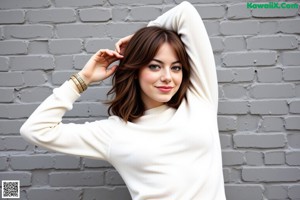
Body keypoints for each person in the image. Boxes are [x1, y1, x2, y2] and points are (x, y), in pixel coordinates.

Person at [20, 1, 226, 199]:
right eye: (155, 66)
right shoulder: (114, 132)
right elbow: (35, 130)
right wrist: (83, 79)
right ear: (136, 71)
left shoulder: (200, 98)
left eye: (176, 67)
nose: (168, 77)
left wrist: (141, 36)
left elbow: (185, 12)